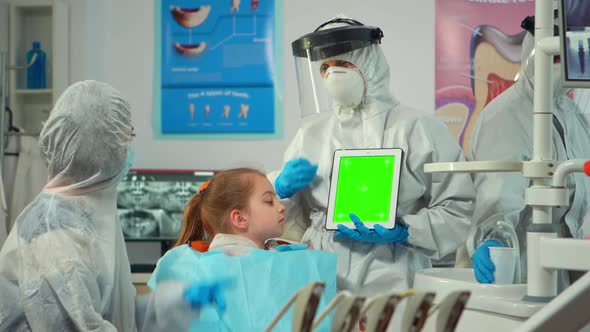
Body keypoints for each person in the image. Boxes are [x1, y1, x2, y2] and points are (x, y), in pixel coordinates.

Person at [270, 17, 476, 296]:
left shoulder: (418, 129)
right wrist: (279, 189)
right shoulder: (312, 134)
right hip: (322, 269)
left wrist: (405, 229)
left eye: (343, 65)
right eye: (325, 67)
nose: (332, 75)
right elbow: (275, 213)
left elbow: (460, 206)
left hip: (394, 274)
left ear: (368, 64)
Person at [0, 81, 226, 331]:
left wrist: (176, 303)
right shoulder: (52, 235)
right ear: (101, 146)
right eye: (128, 135)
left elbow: (119, 317)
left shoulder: (90, 212)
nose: (131, 145)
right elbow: (79, 326)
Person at [465, 17, 590, 288]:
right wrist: (495, 238)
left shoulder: (572, 115)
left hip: (567, 272)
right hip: (521, 272)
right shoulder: (504, 117)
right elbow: (498, 199)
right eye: (556, 61)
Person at [148, 168, 337, 331]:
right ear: (240, 219)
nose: (281, 207)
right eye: (269, 201)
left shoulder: (286, 256)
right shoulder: (194, 267)